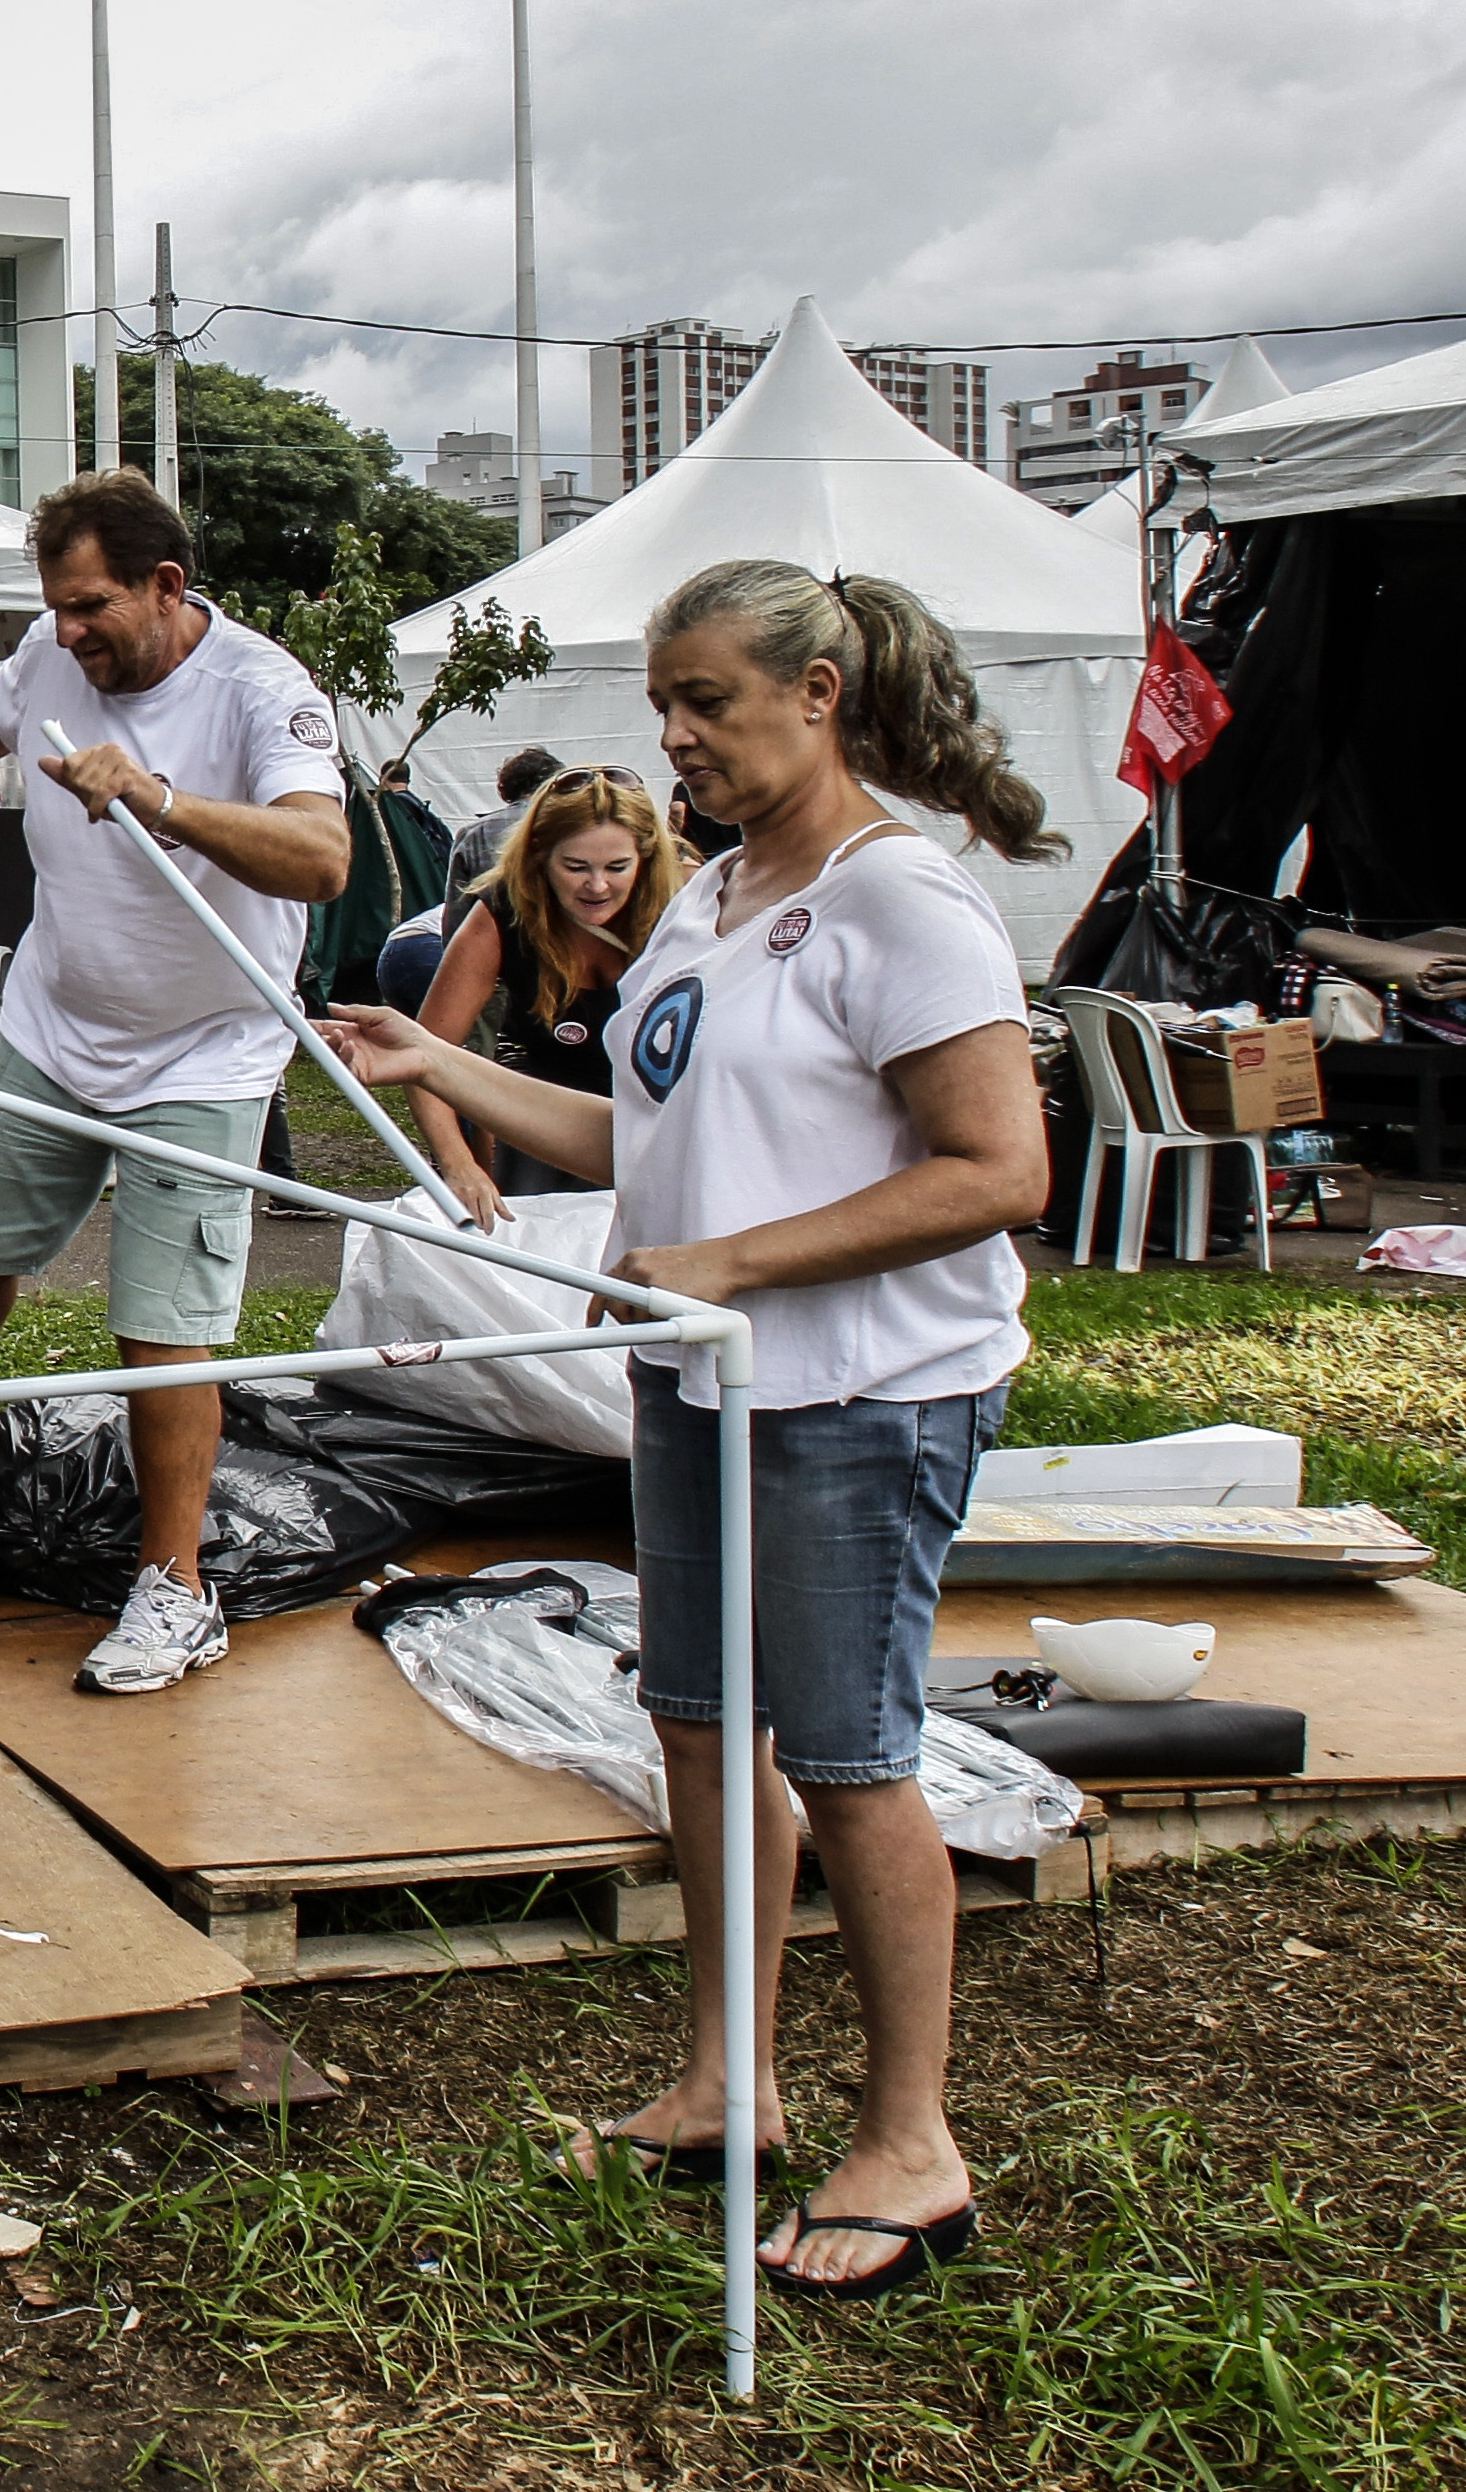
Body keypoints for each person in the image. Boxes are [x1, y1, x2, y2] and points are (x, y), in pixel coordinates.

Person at [321, 558, 1057, 2303]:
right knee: (702, 1729)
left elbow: (995, 1168)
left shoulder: (904, 902)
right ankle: (732, 2082)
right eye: (663, 701)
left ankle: (913, 2140)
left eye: (706, 700)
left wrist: (725, 1260)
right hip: (703, 1375)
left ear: (817, 691)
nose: (675, 736)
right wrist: (442, 1071)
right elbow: (642, 1138)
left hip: (857, 1391)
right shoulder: (712, 896)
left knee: (849, 1748)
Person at [0, 469, 352, 1695]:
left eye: (90, 610)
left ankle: (173, 1587)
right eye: (58, 611)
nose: (68, 635)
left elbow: (323, 858)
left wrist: (160, 798)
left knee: (164, 1327)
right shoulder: (52, 647)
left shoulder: (264, 690)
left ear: (166, 587)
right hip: (57, 1024)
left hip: (206, 1048)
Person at [404, 764, 694, 1225]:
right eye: (575, 867)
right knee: (534, 1239)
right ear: (539, 855)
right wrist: (460, 1167)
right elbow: (422, 1054)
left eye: (617, 867)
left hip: (664, 1112)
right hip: (546, 1107)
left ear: (648, 856)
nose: (597, 886)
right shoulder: (503, 911)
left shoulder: (692, 903)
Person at [447, 744, 566, 894]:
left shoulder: (473, 834)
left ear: (505, 789)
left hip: (489, 916)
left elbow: (457, 906)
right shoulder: (569, 826)